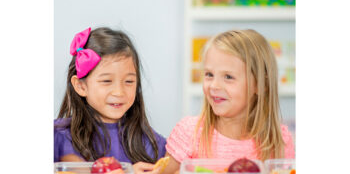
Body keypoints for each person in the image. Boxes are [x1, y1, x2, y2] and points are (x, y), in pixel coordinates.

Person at [163, 29, 295, 173]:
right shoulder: (189, 133)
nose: (214, 85)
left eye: (228, 77)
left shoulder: (279, 141)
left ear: (259, 84)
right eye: (209, 74)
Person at [54, 27, 166, 174]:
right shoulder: (59, 138)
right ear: (81, 86)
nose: (119, 92)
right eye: (107, 81)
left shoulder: (151, 143)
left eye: (129, 81)